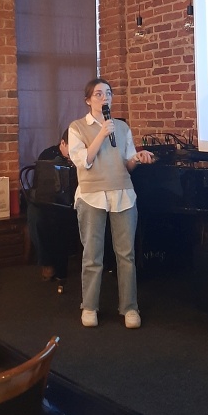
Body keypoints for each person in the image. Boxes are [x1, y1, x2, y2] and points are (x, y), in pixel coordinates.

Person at [69, 78, 155, 328]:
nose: (104, 97)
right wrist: (101, 133)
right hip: (92, 195)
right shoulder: (77, 127)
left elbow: (127, 163)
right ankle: (89, 306)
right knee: (92, 255)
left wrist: (138, 158)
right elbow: (84, 160)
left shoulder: (122, 127)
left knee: (126, 255)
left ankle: (129, 307)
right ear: (88, 100)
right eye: (98, 94)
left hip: (123, 193)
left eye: (108, 93)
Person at [26, 130, 78, 281]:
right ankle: (46, 262)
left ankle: (65, 261)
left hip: (71, 201)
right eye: (71, 147)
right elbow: (40, 185)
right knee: (35, 216)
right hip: (47, 200)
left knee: (66, 217)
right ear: (63, 143)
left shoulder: (80, 156)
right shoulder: (48, 155)